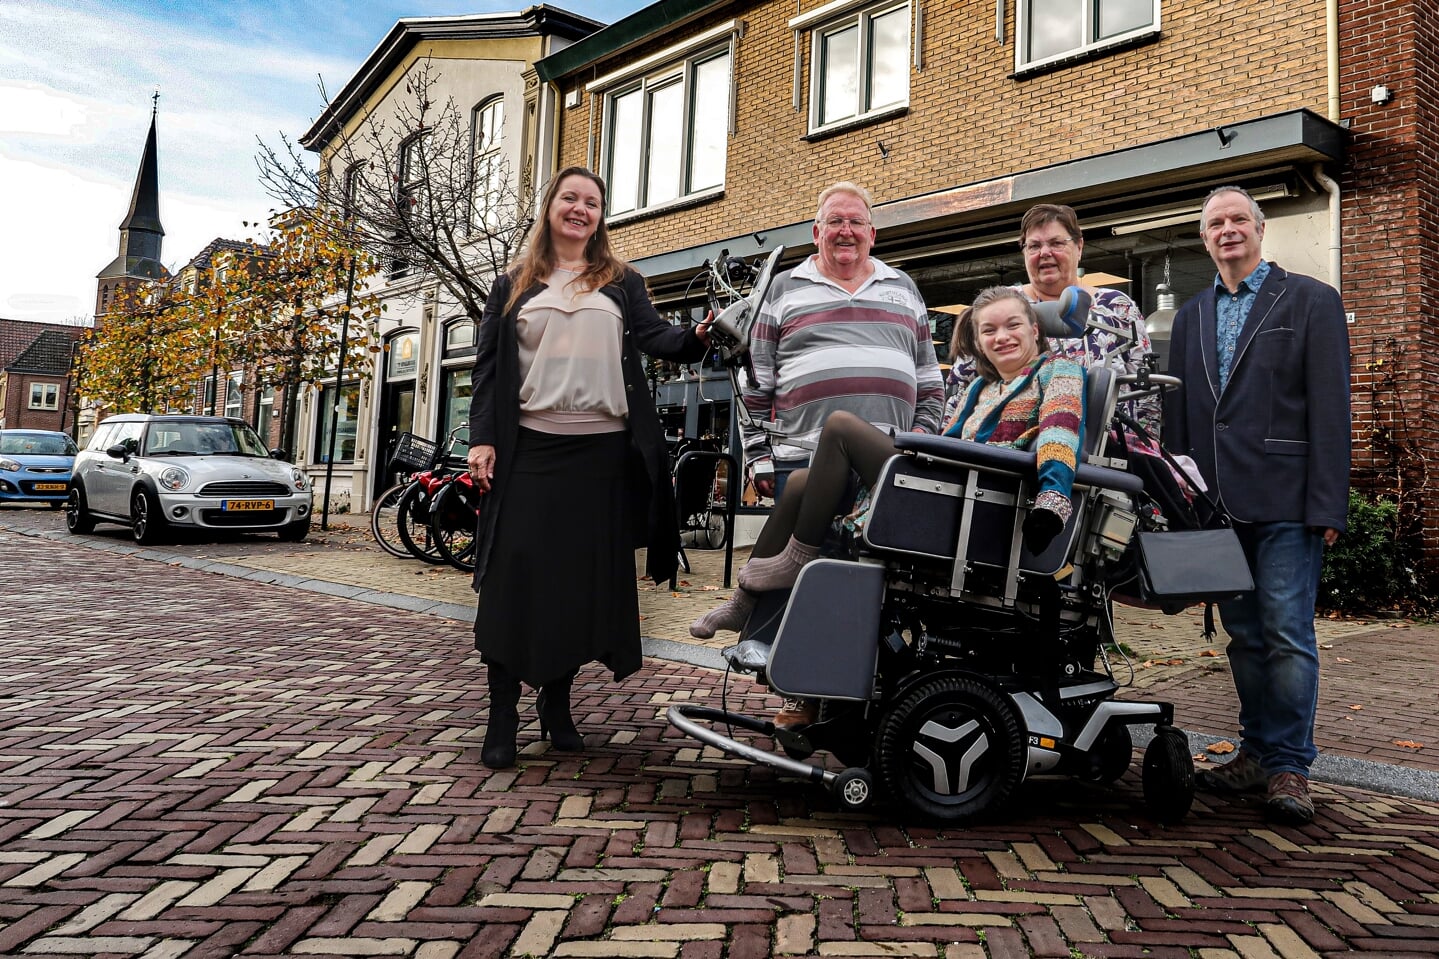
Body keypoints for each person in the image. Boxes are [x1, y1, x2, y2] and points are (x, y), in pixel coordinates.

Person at [692, 287, 1085, 720]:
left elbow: (1059, 432)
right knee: (803, 483)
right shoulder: (982, 387)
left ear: (1035, 329)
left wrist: (1052, 496)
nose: (1001, 337)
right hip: (952, 489)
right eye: (988, 330)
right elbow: (947, 443)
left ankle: (795, 559)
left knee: (840, 426)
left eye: (1012, 325)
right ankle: (745, 602)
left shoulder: (1058, 370)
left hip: (978, 508)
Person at [466, 166, 713, 770]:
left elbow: (658, 338)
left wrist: (700, 335)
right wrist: (483, 440)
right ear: (550, 206)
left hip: (602, 458)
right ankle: (502, 713)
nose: (581, 209)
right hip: (532, 452)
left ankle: (557, 703)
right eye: (570, 198)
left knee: (580, 586)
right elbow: (488, 370)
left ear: (602, 216)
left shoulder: (621, 282)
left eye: (593, 202)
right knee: (514, 580)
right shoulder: (512, 284)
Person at [1164, 185, 1350, 825]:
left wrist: (1328, 505)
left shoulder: (1311, 301)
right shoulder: (1190, 316)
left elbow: (1331, 409)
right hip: (1218, 507)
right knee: (1244, 638)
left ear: (1260, 228)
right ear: (1204, 238)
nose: (1227, 230)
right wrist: (1182, 505)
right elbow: (1180, 416)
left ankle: (1291, 767)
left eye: (1238, 218)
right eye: (1215, 223)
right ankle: (1254, 753)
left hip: (1288, 503)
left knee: (1288, 634)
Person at [740, 181, 944, 499]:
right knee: (808, 549)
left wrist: (918, 439)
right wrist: (757, 455)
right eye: (835, 221)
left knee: (878, 551)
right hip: (800, 464)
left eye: (856, 222)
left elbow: (930, 384)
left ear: (872, 234)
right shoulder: (782, 288)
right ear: (817, 233)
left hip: (890, 467)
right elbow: (754, 383)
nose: (846, 230)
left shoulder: (903, 287)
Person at [950, 203, 1158, 434]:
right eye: (1034, 246)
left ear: (1079, 247)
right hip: (1010, 452)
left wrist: (1145, 449)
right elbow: (960, 389)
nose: (1045, 253)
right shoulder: (1000, 306)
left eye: (1056, 243)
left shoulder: (1117, 307)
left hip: (1108, 452)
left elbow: (1146, 388)